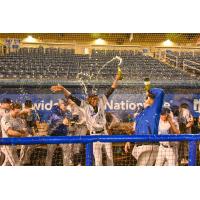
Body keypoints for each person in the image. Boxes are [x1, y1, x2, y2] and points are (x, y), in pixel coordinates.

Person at [51, 73, 120, 166]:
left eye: (96, 98)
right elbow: (72, 97)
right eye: (93, 99)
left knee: (110, 158)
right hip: (94, 135)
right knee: (98, 161)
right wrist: (63, 89)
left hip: (105, 133)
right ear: (90, 100)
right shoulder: (85, 106)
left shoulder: (101, 102)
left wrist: (116, 79)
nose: (96, 100)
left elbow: (111, 90)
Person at [124, 88, 164, 166]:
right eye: (147, 98)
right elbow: (137, 130)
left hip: (149, 145)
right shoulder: (140, 114)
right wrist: (129, 140)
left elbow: (161, 92)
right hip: (138, 146)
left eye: (149, 98)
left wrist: (149, 90)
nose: (147, 99)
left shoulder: (154, 110)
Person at [45, 99, 72, 166]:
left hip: (63, 135)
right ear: (60, 104)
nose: (65, 106)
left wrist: (69, 119)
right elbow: (54, 117)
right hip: (52, 135)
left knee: (67, 152)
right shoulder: (54, 110)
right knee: (50, 154)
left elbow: (71, 117)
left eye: (66, 105)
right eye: (64, 104)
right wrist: (62, 120)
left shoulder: (67, 112)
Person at [66, 98, 88, 166]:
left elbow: (76, 118)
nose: (70, 102)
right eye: (69, 101)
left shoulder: (78, 107)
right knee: (70, 146)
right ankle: (70, 162)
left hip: (82, 127)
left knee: (77, 147)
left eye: (71, 101)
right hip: (73, 128)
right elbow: (69, 120)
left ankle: (78, 163)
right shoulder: (68, 107)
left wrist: (69, 121)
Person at [19, 100, 40, 165]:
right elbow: (29, 121)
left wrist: (36, 132)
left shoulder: (31, 111)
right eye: (30, 105)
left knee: (32, 144)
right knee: (24, 147)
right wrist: (28, 113)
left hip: (29, 130)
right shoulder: (22, 111)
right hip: (23, 131)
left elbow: (33, 123)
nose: (30, 107)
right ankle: (21, 161)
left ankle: (26, 159)